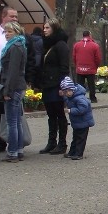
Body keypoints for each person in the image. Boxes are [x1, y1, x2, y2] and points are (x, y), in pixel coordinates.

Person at [0, 6, 37, 153]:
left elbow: (30, 60)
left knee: (13, 117)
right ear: (3, 17)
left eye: (16, 17)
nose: (15, 19)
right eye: (12, 16)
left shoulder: (21, 40)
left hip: (13, 81)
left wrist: (28, 78)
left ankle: (14, 147)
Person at [36, 18, 70, 154]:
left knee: (59, 114)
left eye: (47, 28)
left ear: (54, 29)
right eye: (44, 28)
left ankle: (62, 143)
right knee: (51, 115)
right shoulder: (48, 45)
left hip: (56, 85)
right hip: (48, 84)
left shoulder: (61, 45)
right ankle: (51, 142)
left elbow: (64, 67)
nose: (44, 30)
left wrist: (63, 86)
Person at [0, 21, 28, 163]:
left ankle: (12, 152)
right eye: (5, 32)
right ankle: (18, 150)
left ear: (16, 32)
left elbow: (13, 71)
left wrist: (7, 90)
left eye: (9, 31)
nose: (7, 34)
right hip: (18, 86)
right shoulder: (19, 45)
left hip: (14, 87)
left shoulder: (15, 47)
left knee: (12, 121)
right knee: (16, 121)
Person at [59, 77, 95, 160]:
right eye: (65, 92)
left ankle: (79, 153)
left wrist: (70, 110)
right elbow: (67, 100)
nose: (67, 93)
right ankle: (72, 152)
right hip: (77, 122)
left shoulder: (79, 98)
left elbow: (82, 109)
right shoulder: (71, 97)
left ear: (73, 89)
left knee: (80, 139)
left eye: (68, 91)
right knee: (75, 138)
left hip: (84, 122)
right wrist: (63, 95)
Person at [73, 30, 101, 102]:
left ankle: (80, 98)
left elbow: (74, 57)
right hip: (91, 68)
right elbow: (97, 58)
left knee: (80, 84)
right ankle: (93, 98)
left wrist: (77, 65)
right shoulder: (95, 45)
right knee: (91, 84)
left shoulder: (76, 45)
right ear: (90, 35)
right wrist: (96, 66)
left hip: (80, 68)